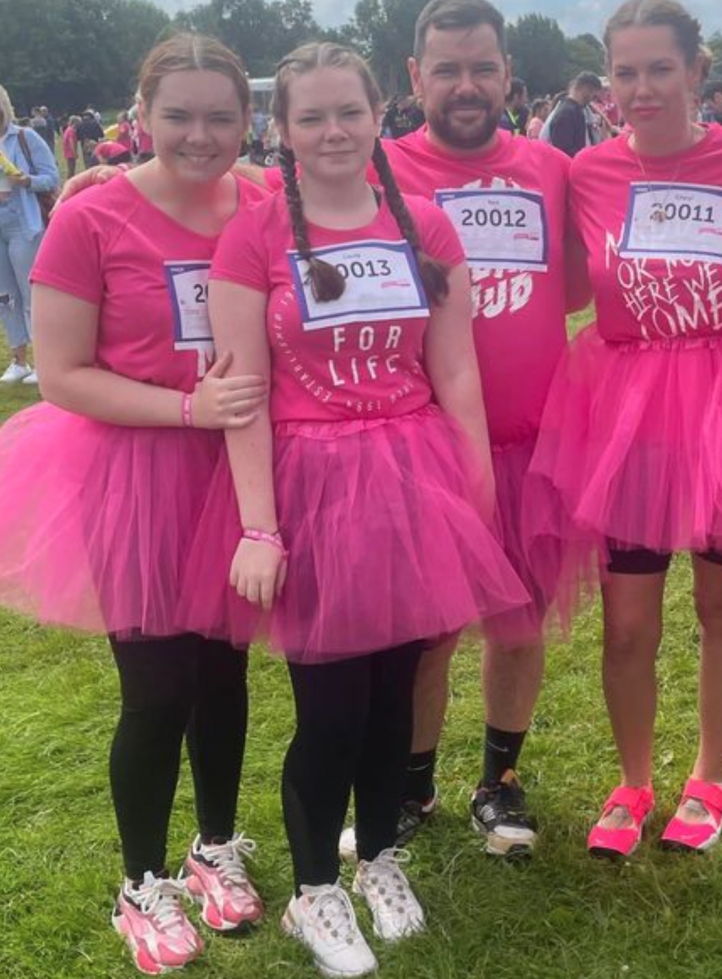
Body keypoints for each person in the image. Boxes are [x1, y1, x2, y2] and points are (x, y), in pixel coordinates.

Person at [181, 41, 527, 977]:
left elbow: (454, 368)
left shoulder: (424, 229)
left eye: (348, 112)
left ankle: (378, 856)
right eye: (310, 117)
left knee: (390, 705)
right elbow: (242, 386)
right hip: (309, 485)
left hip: (414, 479)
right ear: (282, 130)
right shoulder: (252, 237)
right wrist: (260, 523)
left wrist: (476, 494)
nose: (332, 132)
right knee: (329, 707)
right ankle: (312, 891)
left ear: (379, 114)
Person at [0, 36, 268, 974]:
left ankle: (215, 845)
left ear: (248, 120)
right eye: (180, 116)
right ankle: (139, 879)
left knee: (226, 674)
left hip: (237, 471)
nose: (200, 136)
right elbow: (62, 376)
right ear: (141, 116)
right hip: (140, 472)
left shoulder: (269, 203)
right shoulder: (93, 217)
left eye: (220, 117)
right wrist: (187, 406)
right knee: (158, 690)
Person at [334, 0, 592, 860]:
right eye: (446, 69)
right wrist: (113, 176)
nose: (467, 85)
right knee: (426, 630)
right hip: (420, 445)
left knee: (519, 620)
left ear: (508, 74)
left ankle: (500, 779)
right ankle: (411, 784)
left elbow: (589, 278)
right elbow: (260, 207)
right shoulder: (374, 167)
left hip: (530, 440)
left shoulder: (556, 168)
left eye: (482, 67)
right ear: (414, 79)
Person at [528, 0, 722, 859]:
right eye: (624, 72)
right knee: (628, 622)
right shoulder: (584, 170)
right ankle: (633, 781)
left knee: (719, 602)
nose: (640, 89)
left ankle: (710, 775)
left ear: (697, 71)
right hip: (627, 414)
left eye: (659, 69)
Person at [0, 85, 59, 385]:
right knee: (5, 296)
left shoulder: (25, 137)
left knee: (30, 293)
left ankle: (43, 360)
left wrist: (25, 180)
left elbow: (52, 177)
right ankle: (18, 359)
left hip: (25, 224)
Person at [546, 70, 603, 157]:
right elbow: (563, 150)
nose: (592, 99)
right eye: (593, 94)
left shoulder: (575, 110)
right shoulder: (567, 113)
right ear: (586, 88)